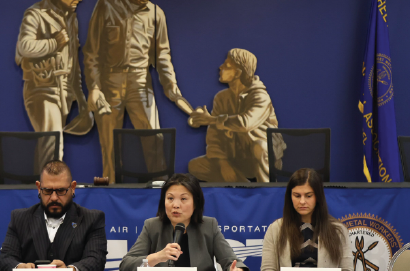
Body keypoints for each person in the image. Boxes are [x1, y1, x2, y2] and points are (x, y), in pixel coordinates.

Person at [83, 0, 194, 183]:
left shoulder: (156, 13)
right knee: (109, 144)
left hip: (140, 82)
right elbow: (92, 51)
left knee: (154, 138)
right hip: (109, 82)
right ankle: (109, 190)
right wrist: (94, 88)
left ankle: (161, 189)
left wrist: (171, 87)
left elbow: (162, 55)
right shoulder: (106, 6)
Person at [119, 173, 249, 271]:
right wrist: (157, 257)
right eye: (170, 198)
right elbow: (126, 265)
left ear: (195, 203)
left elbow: (231, 261)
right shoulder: (152, 226)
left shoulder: (209, 226)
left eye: (183, 199)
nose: (175, 205)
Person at [0, 160, 107, 271]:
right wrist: (20, 268)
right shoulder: (20, 219)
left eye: (61, 191)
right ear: (39, 188)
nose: (54, 198)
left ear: (73, 187)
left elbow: (96, 260)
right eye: (48, 191)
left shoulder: (92, 219)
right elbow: (5, 260)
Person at [188, 48, 285, 182]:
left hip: (261, 158)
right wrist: (224, 164)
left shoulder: (260, 96)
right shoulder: (221, 98)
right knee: (196, 166)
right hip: (236, 159)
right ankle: (244, 186)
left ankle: (265, 191)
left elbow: (245, 123)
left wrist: (210, 119)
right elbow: (214, 136)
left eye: (227, 66)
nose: (220, 67)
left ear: (238, 73)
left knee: (261, 147)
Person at [16, 0, 92, 169]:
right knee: (53, 146)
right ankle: (52, 191)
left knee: (49, 148)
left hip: (64, 92)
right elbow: (24, 46)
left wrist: (80, 99)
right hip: (41, 88)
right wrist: (54, 43)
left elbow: (73, 63)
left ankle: (41, 189)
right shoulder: (36, 13)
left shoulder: (70, 17)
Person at [260, 168, 353, 271]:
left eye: (308, 196)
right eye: (297, 196)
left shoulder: (338, 230)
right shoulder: (275, 229)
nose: (302, 201)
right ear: (290, 197)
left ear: (318, 197)